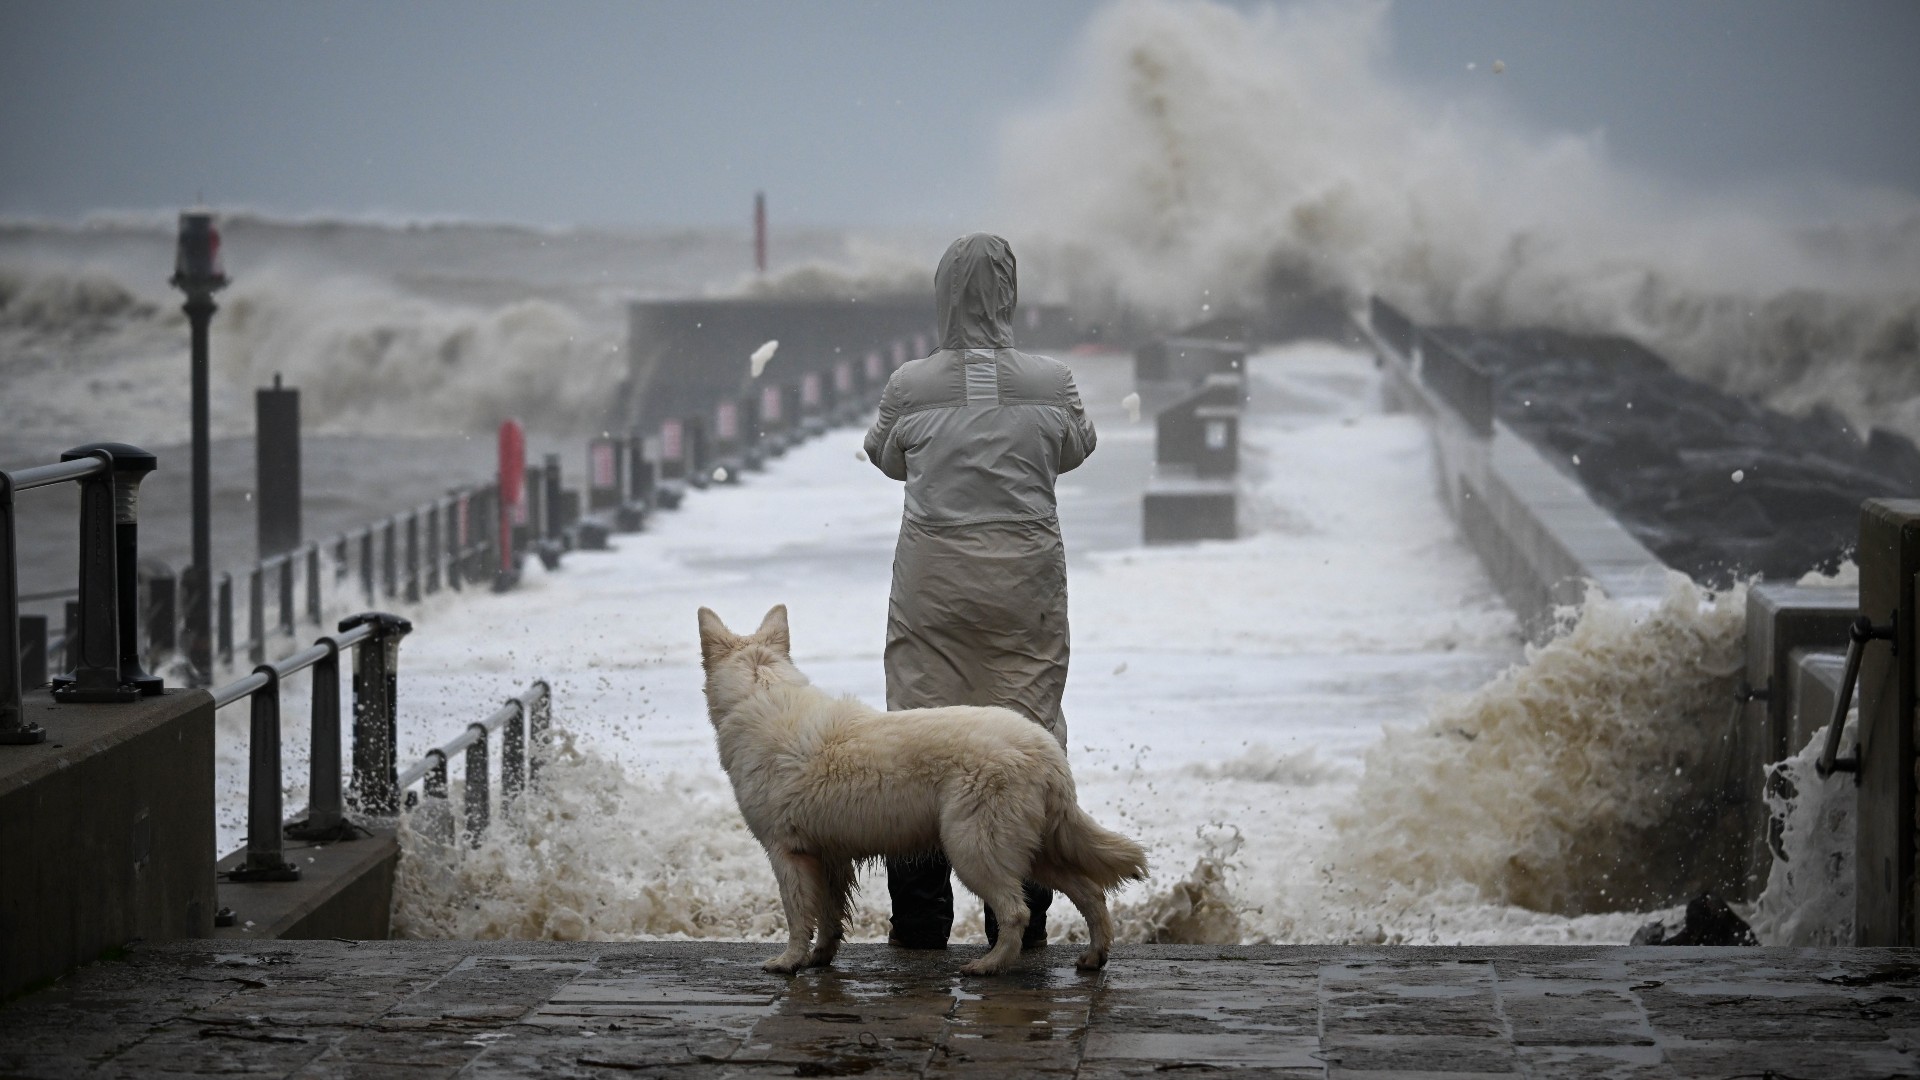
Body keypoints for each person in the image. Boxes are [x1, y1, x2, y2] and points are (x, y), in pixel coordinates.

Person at [861, 232, 1098, 950]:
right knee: (1023, 740)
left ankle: (921, 926)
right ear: (1010, 296)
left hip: (936, 584)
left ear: (943, 297)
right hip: (1023, 581)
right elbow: (1077, 449)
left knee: (920, 742)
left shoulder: (910, 383)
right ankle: (1019, 931)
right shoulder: (1052, 380)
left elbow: (884, 455)